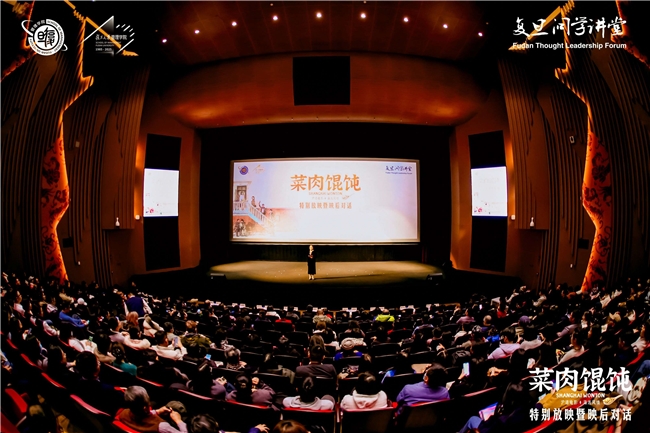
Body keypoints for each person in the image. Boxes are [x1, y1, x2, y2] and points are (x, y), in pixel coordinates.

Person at [117, 386, 187, 432]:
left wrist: (157, 411)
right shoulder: (162, 427)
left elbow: (140, 415)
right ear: (145, 408)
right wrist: (178, 421)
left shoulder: (122, 414)